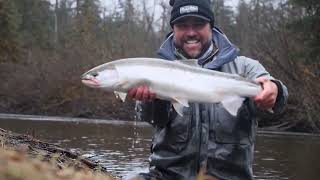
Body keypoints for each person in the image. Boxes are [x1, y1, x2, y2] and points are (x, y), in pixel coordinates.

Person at [126, 0, 288, 179]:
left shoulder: (245, 68)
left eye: (198, 24)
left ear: (211, 26)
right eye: (182, 25)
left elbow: (278, 98)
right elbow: (153, 120)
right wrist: (150, 102)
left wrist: (275, 90)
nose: (191, 32)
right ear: (173, 29)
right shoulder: (154, 71)